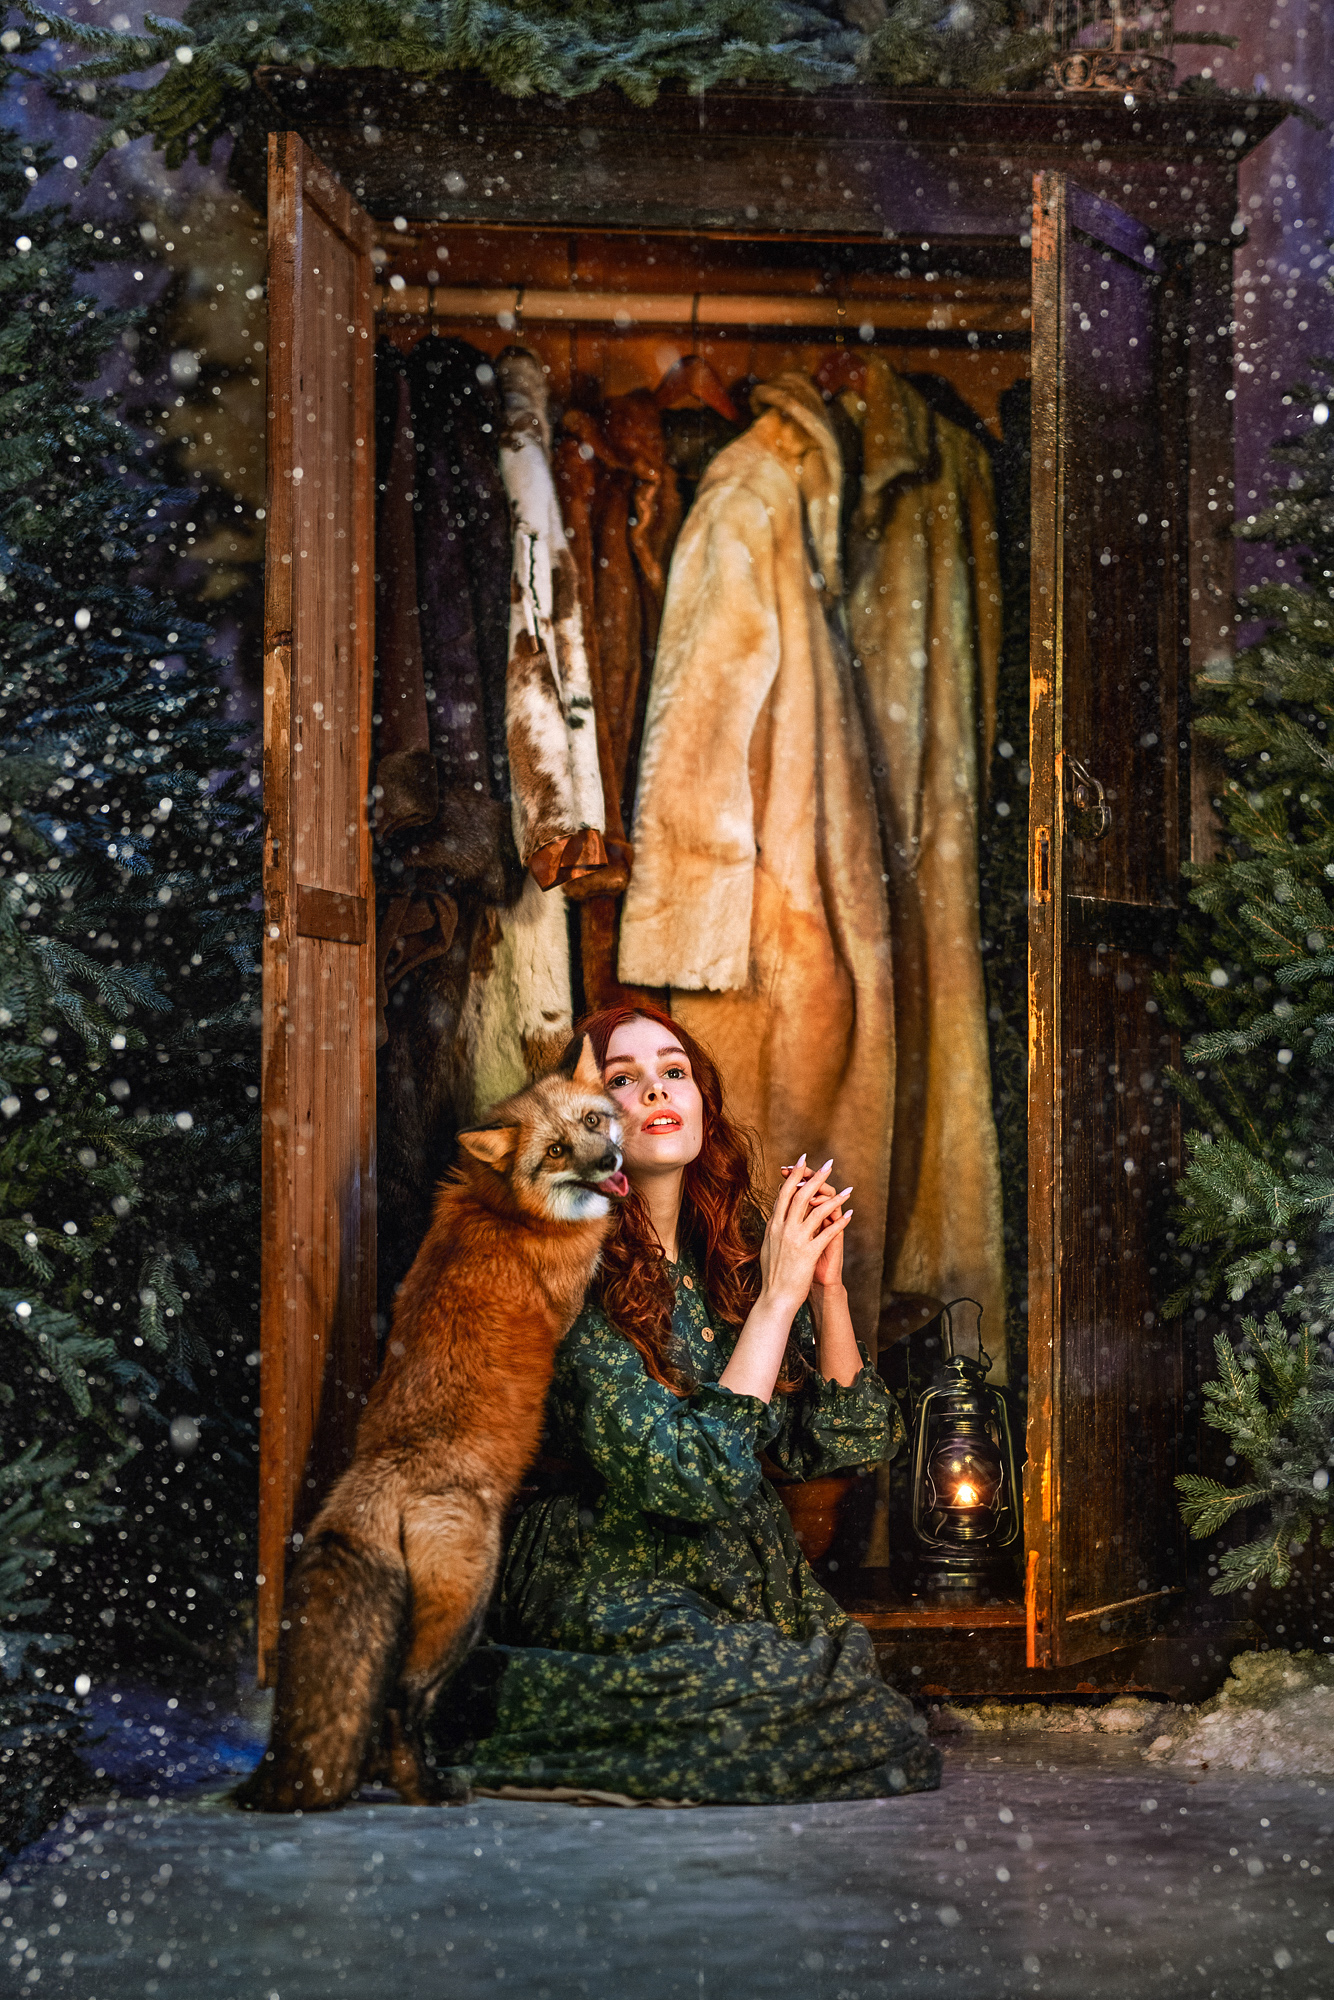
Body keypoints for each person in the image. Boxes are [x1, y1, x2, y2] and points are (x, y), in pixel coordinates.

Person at [431, 1001, 941, 1802]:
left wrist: (824, 1290)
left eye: (674, 1072)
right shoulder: (568, 1267)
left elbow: (844, 1441)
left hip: (735, 1576)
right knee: (742, 1702)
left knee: (868, 1716)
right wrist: (778, 1300)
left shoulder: (725, 1252)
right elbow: (686, 1478)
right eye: (622, 1080)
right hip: (603, 1569)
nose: (656, 1091)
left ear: (704, 1101)